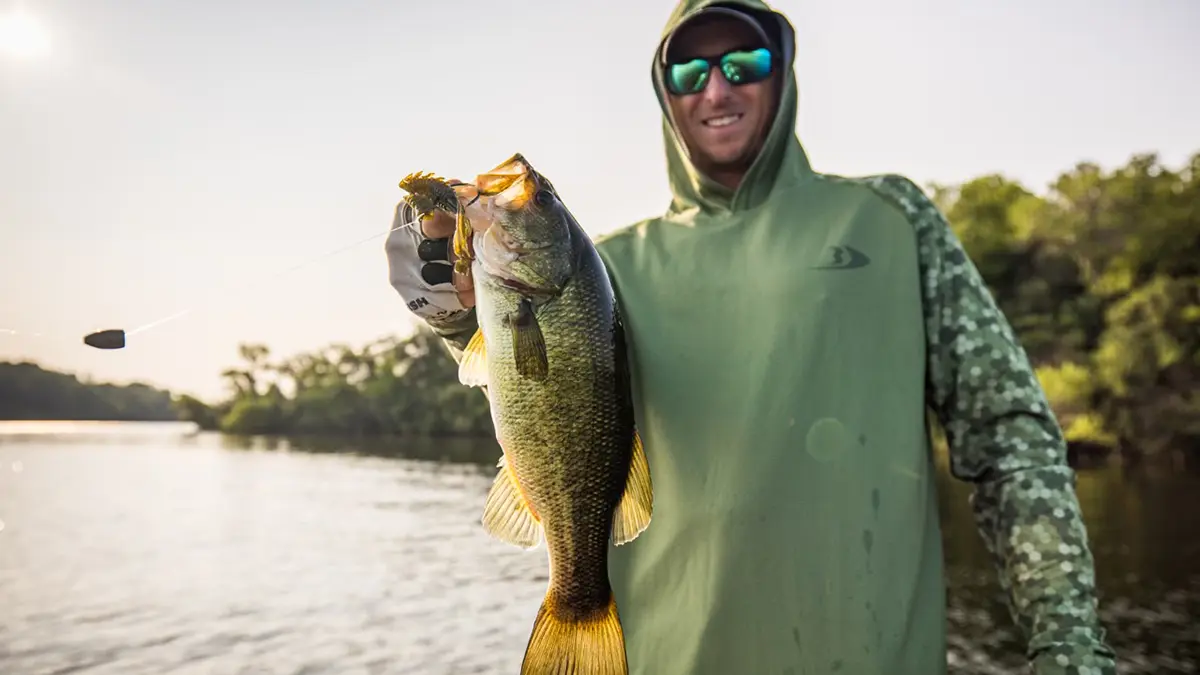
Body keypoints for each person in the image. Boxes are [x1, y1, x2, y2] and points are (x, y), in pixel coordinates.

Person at [385, 1, 1118, 673]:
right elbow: (539, 389)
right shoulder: (607, 267)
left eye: (745, 62)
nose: (717, 88)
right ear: (663, 90)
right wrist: (452, 310)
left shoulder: (892, 218)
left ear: (783, 73)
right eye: (689, 67)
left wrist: (1069, 643)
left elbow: (1013, 440)